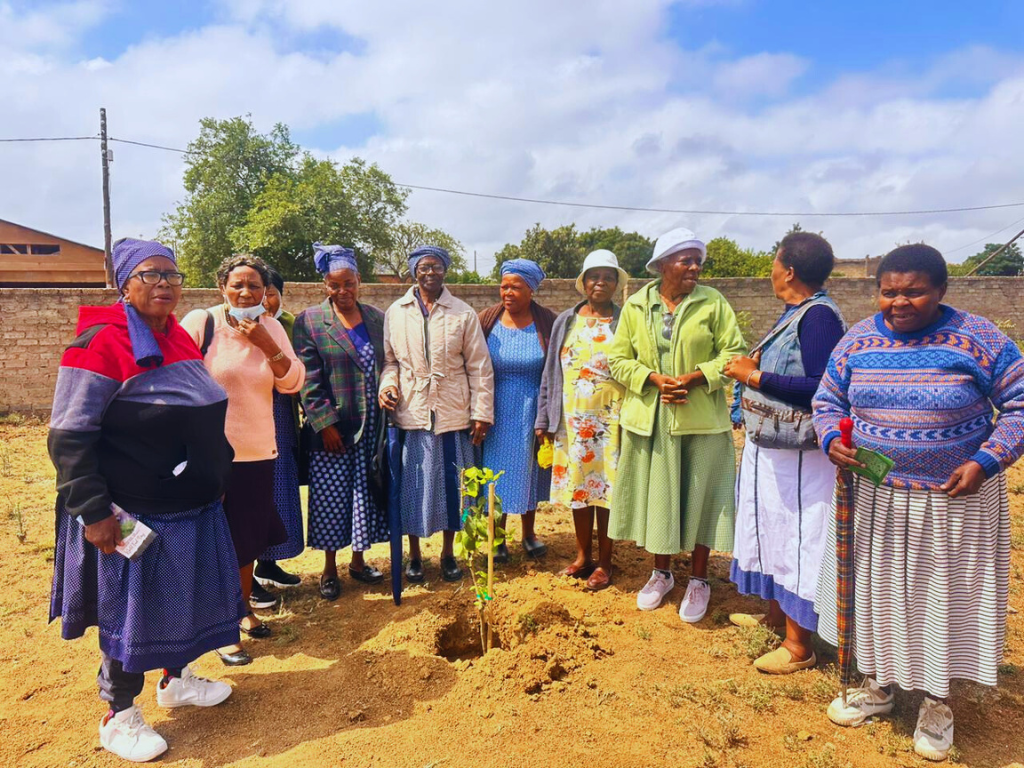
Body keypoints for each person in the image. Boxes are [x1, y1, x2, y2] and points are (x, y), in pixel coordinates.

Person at [812, 244, 1024, 762]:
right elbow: (827, 401)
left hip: (955, 499)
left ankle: (937, 703)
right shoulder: (857, 339)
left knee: (942, 601)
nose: (899, 302)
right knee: (879, 595)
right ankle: (880, 686)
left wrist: (987, 460)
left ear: (941, 291)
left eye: (914, 291)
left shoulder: (980, 339)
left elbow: (1020, 404)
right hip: (876, 497)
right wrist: (829, 439)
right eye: (889, 291)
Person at [48, 239, 241, 762]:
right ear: (124, 284)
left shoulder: (176, 336)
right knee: (130, 614)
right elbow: (68, 435)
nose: (165, 284)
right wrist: (93, 512)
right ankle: (119, 714)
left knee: (185, 600)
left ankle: (175, 681)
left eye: (173, 275)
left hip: (189, 506)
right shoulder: (99, 343)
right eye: (151, 274)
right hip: (133, 510)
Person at [722, 232, 846, 674]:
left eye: (774, 261)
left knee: (797, 537)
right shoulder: (795, 314)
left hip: (800, 455)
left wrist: (753, 377)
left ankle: (799, 646)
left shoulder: (819, 319)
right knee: (772, 530)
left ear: (789, 270)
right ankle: (777, 616)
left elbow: (820, 386)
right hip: (775, 448)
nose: (771, 270)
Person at [608, 227, 746, 621]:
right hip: (650, 421)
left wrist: (693, 378)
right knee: (660, 498)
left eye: (697, 260)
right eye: (685, 260)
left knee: (702, 498)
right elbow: (618, 360)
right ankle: (662, 573)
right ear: (663, 264)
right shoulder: (637, 305)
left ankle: (700, 579)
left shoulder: (713, 303)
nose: (694, 267)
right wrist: (654, 380)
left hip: (700, 420)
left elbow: (733, 354)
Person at [181, 254, 304, 664]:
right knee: (211, 539)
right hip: (208, 455)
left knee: (246, 540)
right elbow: (176, 374)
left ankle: (243, 609)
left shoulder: (270, 328)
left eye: (254, 285)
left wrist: (267, 345)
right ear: (222, 288)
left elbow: (292, 382)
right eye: (238, 284)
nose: (246, 292)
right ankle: (220, 628)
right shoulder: (204, 323)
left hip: (257, 451)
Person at [379, 245, 494, 583]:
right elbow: (391, 362)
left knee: (454, 489)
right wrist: (388, 386)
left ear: (445, 271)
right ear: (414, 271)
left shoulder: (462, 313)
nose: (430, 273)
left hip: (453, 413)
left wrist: (482, 412)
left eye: (437, 267)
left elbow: (479, 367)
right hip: (412, 412)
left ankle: (448, 554)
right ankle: (415, 556)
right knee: (413, 488)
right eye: (423, 267)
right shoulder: (396, 312)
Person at [293, 244, 389, 601]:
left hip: (373, 425)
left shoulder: (377, 319)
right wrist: (325, 424)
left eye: (348, 283)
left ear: (359, 281)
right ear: (325, 285)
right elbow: (309, 378)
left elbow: (387, 364)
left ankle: (359, 562)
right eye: (335, 285)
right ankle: (330, 569)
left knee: (365, 494)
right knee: (332, 496)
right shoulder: (311, 321)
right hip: (335, 429)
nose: (342, 291)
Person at [535, 249, 627, 590]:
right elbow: (550, 372)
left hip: (611, 423)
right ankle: (582, 556)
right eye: (593, 276)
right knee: (578, 490)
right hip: (572, 423)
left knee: (604, 492)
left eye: (607, 276)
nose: (600, 282)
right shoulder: (566, 321)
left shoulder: (625, 319)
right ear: (583, 283)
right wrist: (544, 417)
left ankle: (605, 562)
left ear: (616, 283)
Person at [479, 258, 557, 560]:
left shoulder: (547, 322)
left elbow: (556, 368)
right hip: (496, 410)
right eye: (504, 286)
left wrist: (549, 414)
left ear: (531, 290)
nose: (507, 292)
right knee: (495, 475)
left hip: (533, 409)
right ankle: (497, 537)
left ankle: (528, 534)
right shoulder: (488, 320)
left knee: (530, 471)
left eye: (515, 287)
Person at [250, 266, 305, 608]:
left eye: (272, 293)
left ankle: (268, 563)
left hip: (282, 416)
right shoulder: (234, 327)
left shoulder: (290, 325)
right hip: (252, 415)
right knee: (255, 493)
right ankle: (248, 578)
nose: (266, 300)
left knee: (280, 489)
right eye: (261, 291)